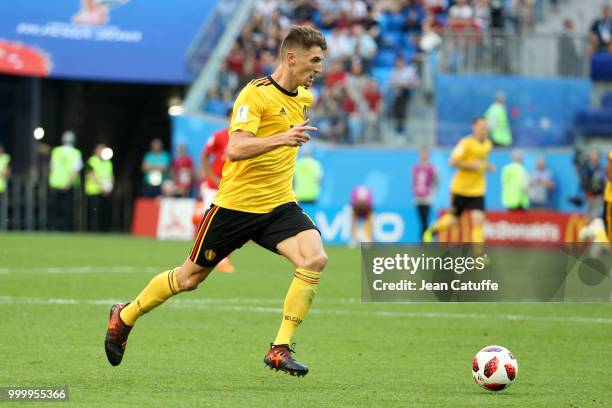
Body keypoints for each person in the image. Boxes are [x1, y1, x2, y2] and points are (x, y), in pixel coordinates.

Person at [105, 26, 328, 377]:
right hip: (235, 207)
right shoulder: (254, 96)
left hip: (278, 205)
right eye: (314, 61)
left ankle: (280, 348)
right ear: (291, 57)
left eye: (321, 62)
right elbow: (236, 148)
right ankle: (125, 315)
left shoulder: (304, 98)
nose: (319, 69)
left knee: (314, 258)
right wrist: (282, 138)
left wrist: (285, 140)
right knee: (189, 278)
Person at [423, 117, 494, 247]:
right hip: (461, 188)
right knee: (453, 219)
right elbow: (452, 161)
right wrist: (472, 165)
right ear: (474, 127)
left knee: (478, 221)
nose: (483, 128)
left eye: (485, 126)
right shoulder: (465, 143)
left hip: (477, 189)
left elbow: (480, 162)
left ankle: (479, 257)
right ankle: (433, 229)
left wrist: (487, 167)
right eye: (480, 126)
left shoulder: (488, 144)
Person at [196, 109, 235, 273]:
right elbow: (204, 156)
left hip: (233, 188)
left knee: (231, 224)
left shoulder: (247, 138)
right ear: (228, 118)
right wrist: (212, 178)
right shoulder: (219, 136)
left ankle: (220, 257)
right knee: (213, 221)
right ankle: (209, 256)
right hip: (214, 188)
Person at [49, 131, 83, 231]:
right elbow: (75, 170)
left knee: (54, 207)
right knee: (68, 208)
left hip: (55, 183)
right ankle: (66, 229)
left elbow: (52, 167)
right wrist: (68, 183)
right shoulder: (76, 153)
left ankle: (52, 227)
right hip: (69, 184)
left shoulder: (56, 151)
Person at [85, 144, 114, 232]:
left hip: (106, 191)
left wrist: (109, 187)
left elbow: (111, 176)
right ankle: (93, 230)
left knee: (105, 211)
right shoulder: (92, 161)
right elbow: (91, 175)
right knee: (94, 213)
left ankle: (105, 230)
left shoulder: (108, 162)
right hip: (94, 191)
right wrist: (102, 187)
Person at [412, 147, 437, 239]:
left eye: (425, 153)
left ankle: (426, 238)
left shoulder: (431, 168)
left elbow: (435, 181)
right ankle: (424, 239)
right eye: (422, 154)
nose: (423, 156)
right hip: (418, 197)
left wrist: (432, 192)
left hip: (427, 197)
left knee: (425, 219)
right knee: (421, 220)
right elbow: (414, 182)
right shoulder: (416, 168)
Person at [0, 143, 10, 229]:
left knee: (2, 210)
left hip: (2, 188)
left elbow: (8, 173)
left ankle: (3, 227)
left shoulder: (6, 158)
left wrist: (3, 173)